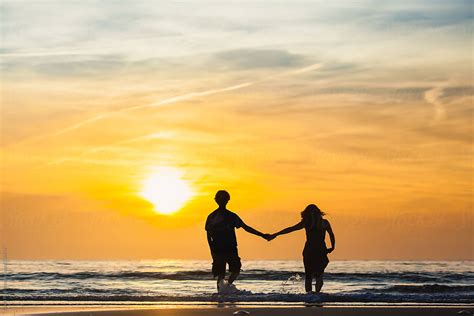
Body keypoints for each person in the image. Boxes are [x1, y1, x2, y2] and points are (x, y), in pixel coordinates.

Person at [205, 190, 270, 293]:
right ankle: (222, 292)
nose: (222, 201)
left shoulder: (229, 216)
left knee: (234, 270)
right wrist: (212, 251)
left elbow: (246, 227)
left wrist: (262, 235)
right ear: (217, 200)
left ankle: (225, 289)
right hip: (221, 249)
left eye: (224, 199)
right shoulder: (213, 217)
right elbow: (209, 235)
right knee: (222, 274)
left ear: (227, 200)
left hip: (228, 248)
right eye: (220, 199)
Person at [269, 204, 335, 293]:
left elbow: (291, 229)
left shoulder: (307, 223)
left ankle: (310, 296)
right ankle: (316, 296)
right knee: (319, 275)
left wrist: (275, 234)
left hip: (310, 250)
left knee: (309, 275)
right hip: (320, 250)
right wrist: (332, 247)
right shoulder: (324, 223)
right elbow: (331, 234)